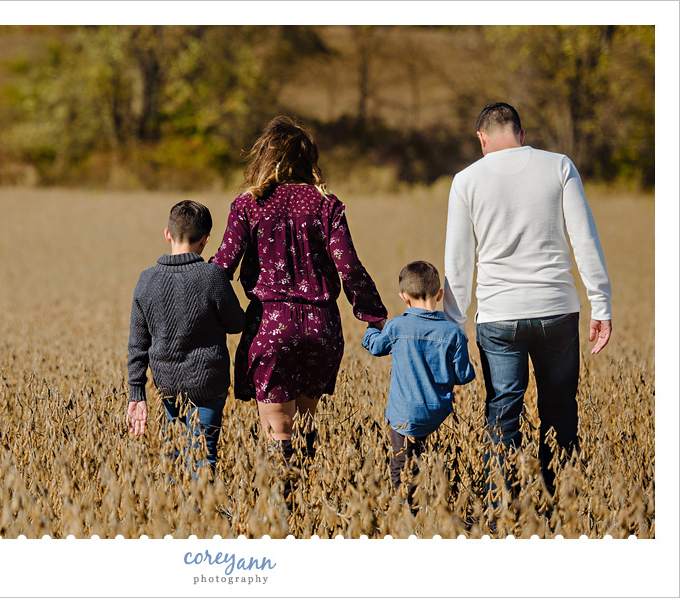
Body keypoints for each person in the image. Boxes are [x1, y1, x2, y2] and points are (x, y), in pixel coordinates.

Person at [443, 102, 613, 495]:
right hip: (557, 312)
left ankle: (503, 506)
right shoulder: (558, 166)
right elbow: (584, 239)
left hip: (498, 316)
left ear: (482, 139)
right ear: (520, 135)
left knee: (503, 411)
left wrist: (454, 325)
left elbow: (458, 259)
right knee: (560, 410)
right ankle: (562, 502)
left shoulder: (466, 180)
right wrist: (600, 304)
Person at [210, 115, 388, 476]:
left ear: (263, 157)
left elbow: (221, 267)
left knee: (278, 429)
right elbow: (348, 265)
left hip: (270, 327)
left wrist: (185, 290)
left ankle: (281, 511)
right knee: (306, 426)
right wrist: (373, 313)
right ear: (309, 158)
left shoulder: (248, 205)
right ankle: (308, 501)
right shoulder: (326, 204)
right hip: (320, 328)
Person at [126, 200, 246, 479]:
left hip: (168, 387)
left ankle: (176, 514)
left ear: (167, 234)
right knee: (205, 459)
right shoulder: (212, 276)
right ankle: (206, 516)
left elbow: (138, 344)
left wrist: (137, 393)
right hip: (208, 385)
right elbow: (236, 324)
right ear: (205, 241)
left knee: (174, 459)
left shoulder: (147, 280)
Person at [363, 260, 475, 504]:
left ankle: (405, 509)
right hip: (437, 413)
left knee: (401, 463)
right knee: (430, 457)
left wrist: (373, 327)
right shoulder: (453, 333)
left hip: (403, 414)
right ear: (440, 294)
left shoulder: (396, 326)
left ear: (404, 297)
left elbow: (375, 347)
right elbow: (464, 376)